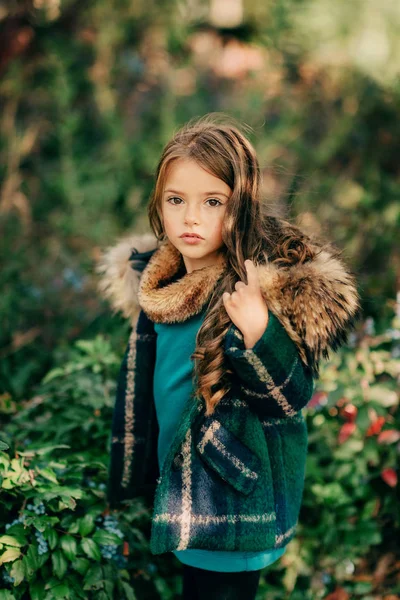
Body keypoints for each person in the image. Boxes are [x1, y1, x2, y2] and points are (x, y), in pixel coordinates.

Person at [97, 113, 361, 599]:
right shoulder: (159, 286)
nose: (191, 218)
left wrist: (259, 331)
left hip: (233, 495)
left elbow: (291, 397)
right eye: (176, 200)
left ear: (240, 209)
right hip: (180, 489)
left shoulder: (251, 293)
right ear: (159, 203)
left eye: (212, 202)